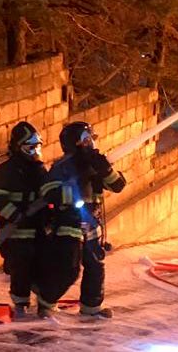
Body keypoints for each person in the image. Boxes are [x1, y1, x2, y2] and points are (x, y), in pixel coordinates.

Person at [35, 121, 126, 319]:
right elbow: (48, 191)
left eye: (92, 139)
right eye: (88, 139)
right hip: (69, 223)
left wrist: (105, 170)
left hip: (92, 224)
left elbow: (118, 185)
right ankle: (46, 303)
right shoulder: (63, 166)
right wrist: (72, 192)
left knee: (95, 265)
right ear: (77, 142)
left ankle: (91, 308)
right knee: (69, 268)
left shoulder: (96, 164)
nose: (92, 142)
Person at [0, 121, 48, 320]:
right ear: (18, 147)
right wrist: (15, 214)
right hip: (16, 232)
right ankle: (21, 305)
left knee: (43, 266)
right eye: (30, 147)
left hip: (38, 230)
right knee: (20, 269)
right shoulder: (7, 170)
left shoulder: (40, 170)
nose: (35, 151)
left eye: (37, 146)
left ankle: (44, 305)